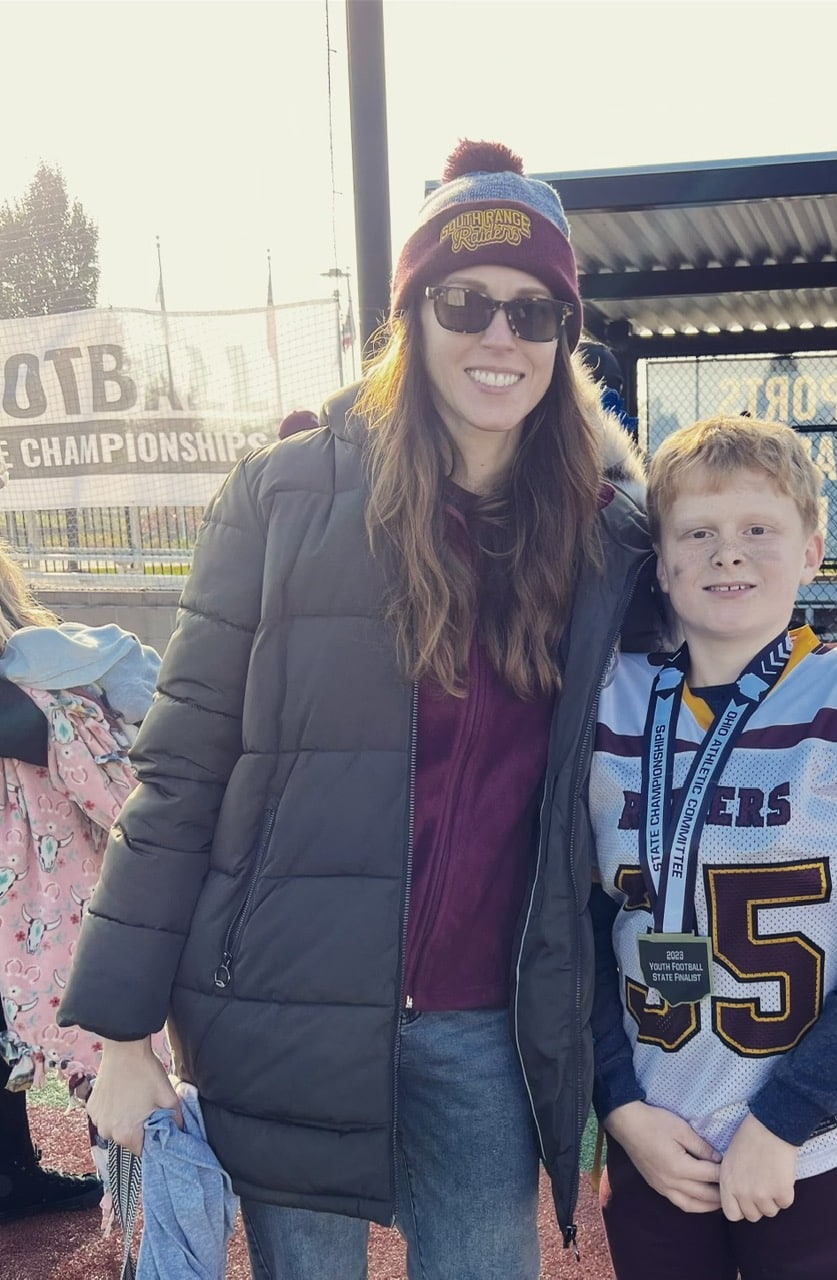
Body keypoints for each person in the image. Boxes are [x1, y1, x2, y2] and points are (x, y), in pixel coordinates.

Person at [58, 139, 657, 1280]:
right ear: (409, 316)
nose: (499, 336)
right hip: (285, 997)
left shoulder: (607, 535)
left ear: (564, 340)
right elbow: (178, 767)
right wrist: (125, 1033)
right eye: (465, 302)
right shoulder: (283, 497)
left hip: (486, 1021)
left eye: (533, 315)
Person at [588, 415, 837, 1280]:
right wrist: (618, 1104)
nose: (727, 554)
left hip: (811, 1138)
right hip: (658, 1127)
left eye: (758, 531)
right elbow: (576, 934)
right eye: (697, 533)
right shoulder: (608, 708)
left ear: (812, 551)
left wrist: (785, 1121)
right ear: (660, 564)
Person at [0, 543, 160, 1223]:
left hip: (32, 908)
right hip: (65, 907)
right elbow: (119, 797)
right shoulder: (45, 697)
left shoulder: (36, 694)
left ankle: (16, 1176)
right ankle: (133, 1224)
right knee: (106, 1054)